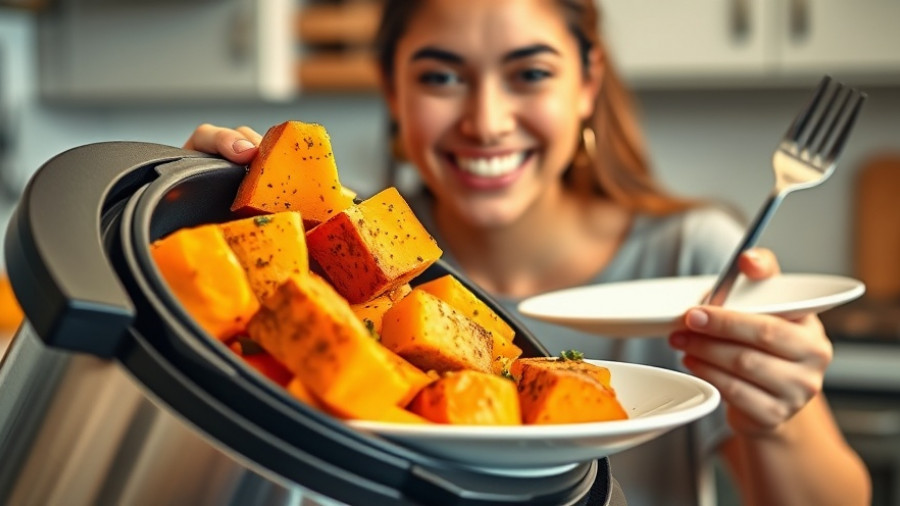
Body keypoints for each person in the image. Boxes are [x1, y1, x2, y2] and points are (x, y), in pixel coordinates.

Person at [183, 1, 871, 504]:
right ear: (394, 90)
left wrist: (778, 418)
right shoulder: (330, 247)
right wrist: (194, 232)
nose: (486, 120)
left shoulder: (698, 259)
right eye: (442, 78)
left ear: (587, 84)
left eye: (530, 73)